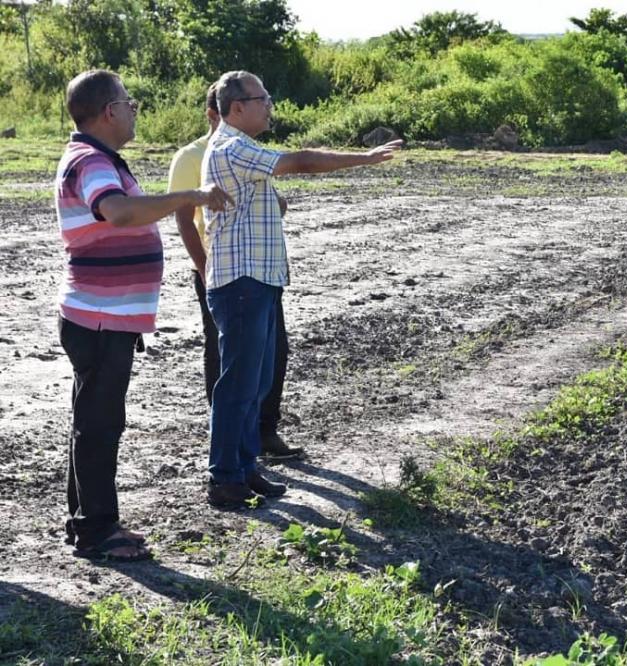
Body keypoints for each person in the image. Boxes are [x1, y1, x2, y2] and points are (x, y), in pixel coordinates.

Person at [201, 70, 402, 510]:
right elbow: (300, 161)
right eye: (263, 98)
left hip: (258, 279)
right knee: (239, 385)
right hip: (241, 282)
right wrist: (364, 159)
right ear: (237, 108)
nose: (269, 105)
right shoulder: (233, 146)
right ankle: (224, 477)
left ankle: (244, 467)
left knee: (255, 383)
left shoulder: (241, 147)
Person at [56, 69, 231, 560]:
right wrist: (189, 197)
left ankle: (88, 521)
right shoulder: (91, 160)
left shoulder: (99, 158)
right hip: (99, 318)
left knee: (93, 422)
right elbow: (119, 212)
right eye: (129, 103)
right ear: (109, 111)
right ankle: (96, 531)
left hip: (104, 317)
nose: (134, 111)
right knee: (99, 425)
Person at [167, 84, 302, 461]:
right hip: (221, 272)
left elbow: (271, 204)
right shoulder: (192, 156)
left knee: (272, 353)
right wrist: (203, 268)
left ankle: (262, 432)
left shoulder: (247, 150)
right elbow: (184, 219)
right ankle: (227, 445)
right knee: (225, 357)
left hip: (258, 272)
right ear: (215, 114)